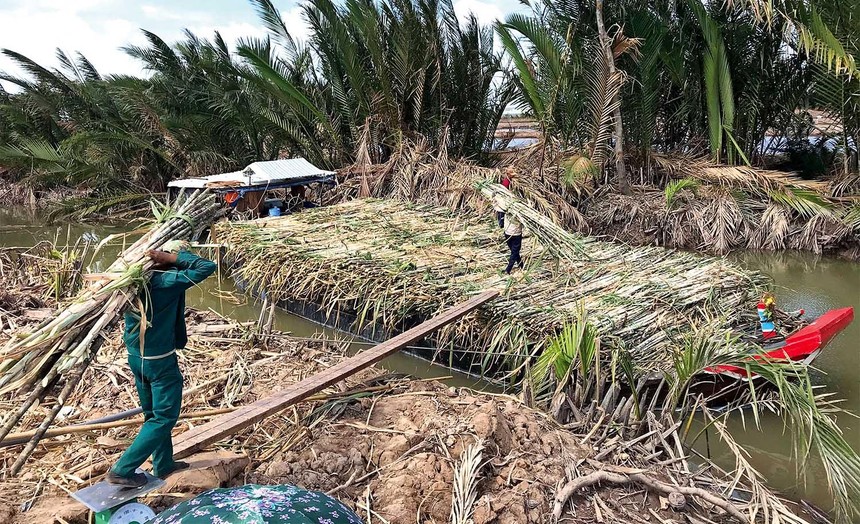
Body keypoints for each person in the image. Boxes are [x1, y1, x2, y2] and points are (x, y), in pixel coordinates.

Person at [107, 241, 217, 487]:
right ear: (164, 258)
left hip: (137, 359)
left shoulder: (134, 282)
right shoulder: (166, 282)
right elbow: (207, 266)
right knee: (165, 417)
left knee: (152, 416)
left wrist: (167, 259)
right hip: (160, 362)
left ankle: (163, 463)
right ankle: (122, 469)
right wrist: (175, 258)